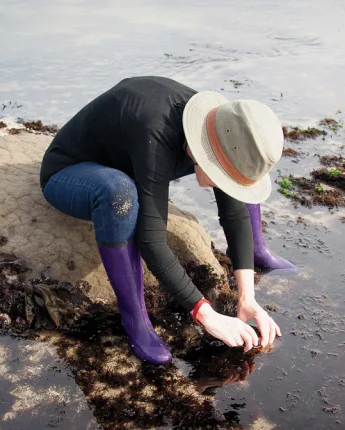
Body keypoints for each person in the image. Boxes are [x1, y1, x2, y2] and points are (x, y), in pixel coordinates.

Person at [39, 76, 296, 365]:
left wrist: (246, 297)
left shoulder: (222, 127)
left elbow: (234, 210)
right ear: (205, 154)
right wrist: (205, 314)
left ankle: (256, 249)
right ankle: (135, 318)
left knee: (245, 173)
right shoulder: (157, 133)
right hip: (72, 172)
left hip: (132, 155)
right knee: (119, 192)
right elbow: (151, 240)